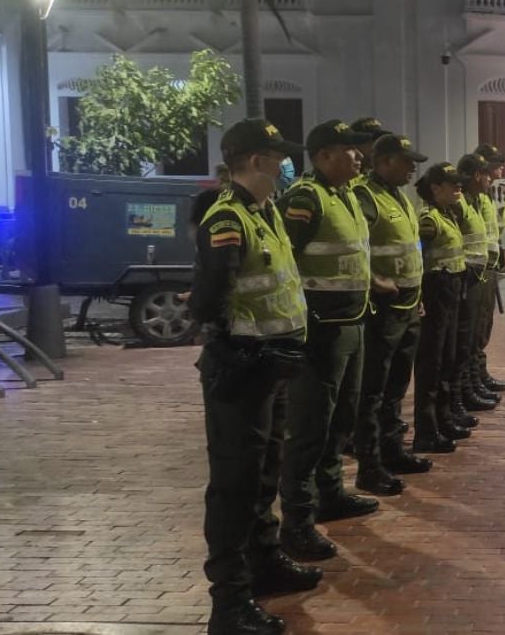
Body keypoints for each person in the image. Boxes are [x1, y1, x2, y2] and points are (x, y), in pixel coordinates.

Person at [189, 118, 315, 635]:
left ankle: (265, 563)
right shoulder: (227, 218)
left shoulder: (265, 214)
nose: (285, 164)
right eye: (278, 156)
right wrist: (237, 344)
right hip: (241, 369)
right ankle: (230, 603)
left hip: (272, 365)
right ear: (256, 160)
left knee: (265, 473)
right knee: (235, 487)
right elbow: (208, 298)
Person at [277, 120, 379, 562]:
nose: (358, 157)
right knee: (310, 427)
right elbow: (286, 261)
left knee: (342, 417)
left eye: (359, 151)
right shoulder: (305, 198)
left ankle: (330, 492)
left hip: (352, 322)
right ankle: (297, 523)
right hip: (320, 329)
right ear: (322, 157)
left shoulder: (346, 196)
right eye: (348, 150)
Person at [351, 133, 433, 497]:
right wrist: (371, 280)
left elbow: (410, 248)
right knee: (374, 389)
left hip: (406, 306)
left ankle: (392, 450)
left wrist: (416, 295)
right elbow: (355, 247)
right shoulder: (365, 197)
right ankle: (370, 466)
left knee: (397, 386)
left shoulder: (398, 196)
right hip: (382, 310)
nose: (413, 168)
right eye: (405, 161)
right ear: (382, 161)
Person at [413, 162, 470, 453]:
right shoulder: (429, 219)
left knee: (447, 357)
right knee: (432, 362)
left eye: (460, 184)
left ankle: (443, 418)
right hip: (435, 291)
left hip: (451, 290)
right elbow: (417, 254)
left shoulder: (447, 215)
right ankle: (426, 429)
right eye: (452, 184)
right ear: (436, 188)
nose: (458, 188)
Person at [452, 154, 502, 415]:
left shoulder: (479, 200)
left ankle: (473, 382)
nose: (492, 176)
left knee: (478, 332)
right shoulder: (459, 203)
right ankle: (463, 392)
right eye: (487, 172)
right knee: (464, 339)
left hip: (483, 273)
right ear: (475, 175)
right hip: (465, 278)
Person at [471, 144, 505, 396]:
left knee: (484, 324)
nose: (500, 169)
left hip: (488, 268)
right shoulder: (472, 196)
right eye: (495, 165)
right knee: (474, 328)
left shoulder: (486, 195)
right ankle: (471, 380)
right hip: (475, 271)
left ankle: (478, 373)